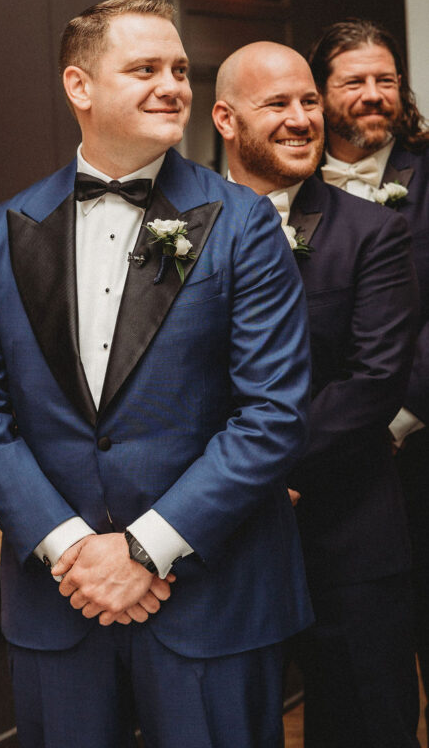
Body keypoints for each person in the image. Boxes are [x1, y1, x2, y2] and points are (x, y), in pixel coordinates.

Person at [0, 0, 313, 748]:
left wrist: (144, 550)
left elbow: (272, 412)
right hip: (61, 600)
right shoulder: (1, 232)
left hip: (213, 599)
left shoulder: (242, 225)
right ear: (79, 86)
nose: (172, 85)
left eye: (179, 70)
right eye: (143, 68)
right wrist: (73, 549)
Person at [212, 40, 421, 748]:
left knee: (366, 725)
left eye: (307, 101)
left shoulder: (371, 233)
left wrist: (260, 476)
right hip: (216, 546)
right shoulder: (175, 231)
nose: (302, 118)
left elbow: (371, 381)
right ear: (224, 118)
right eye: (277, 103)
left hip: (344, 535)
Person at [309, 18, 429, 728]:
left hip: (418, 434)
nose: (372, 94)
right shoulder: (288, 178)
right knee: (360, 655)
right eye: (353, 81)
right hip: (336, 458)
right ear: (320, 93)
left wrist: (395, 411)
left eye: (383, 79)